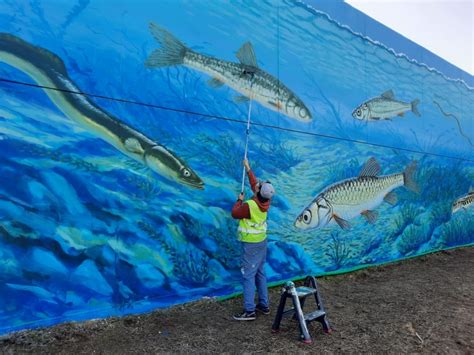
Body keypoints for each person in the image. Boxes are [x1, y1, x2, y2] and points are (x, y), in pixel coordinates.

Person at [231, 158, 275, 321]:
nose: (258, 185)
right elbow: (255, 184)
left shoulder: (250, 205)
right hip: (261, 242)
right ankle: (264, 305)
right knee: (260, 272)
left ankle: (249, 310)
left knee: (248, 275)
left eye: (259, 186)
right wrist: (248, 168)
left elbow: (235, 213)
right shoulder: (266, 200)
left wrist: (239, 200)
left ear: (258, 193)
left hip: (250, 244)